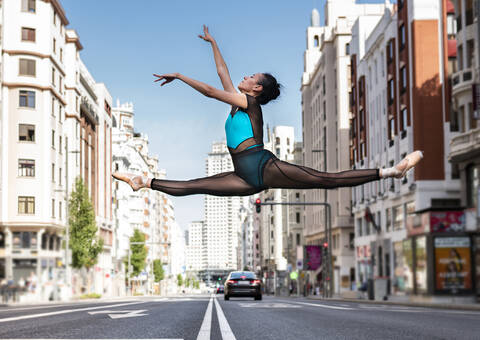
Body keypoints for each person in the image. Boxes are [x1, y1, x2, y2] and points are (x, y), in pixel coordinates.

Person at [113, 26, 423, 197]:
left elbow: (209, 91)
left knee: (325, 180)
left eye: (251, 77)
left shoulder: (250, 104)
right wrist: (213, 43)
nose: (244, 77)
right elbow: (222, 73)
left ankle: (391, 172)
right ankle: (144, 181)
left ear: (257, 89)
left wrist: (180, 76)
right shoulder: (239, 100)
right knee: (195, 186)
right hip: (244, 177)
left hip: (262, 167)